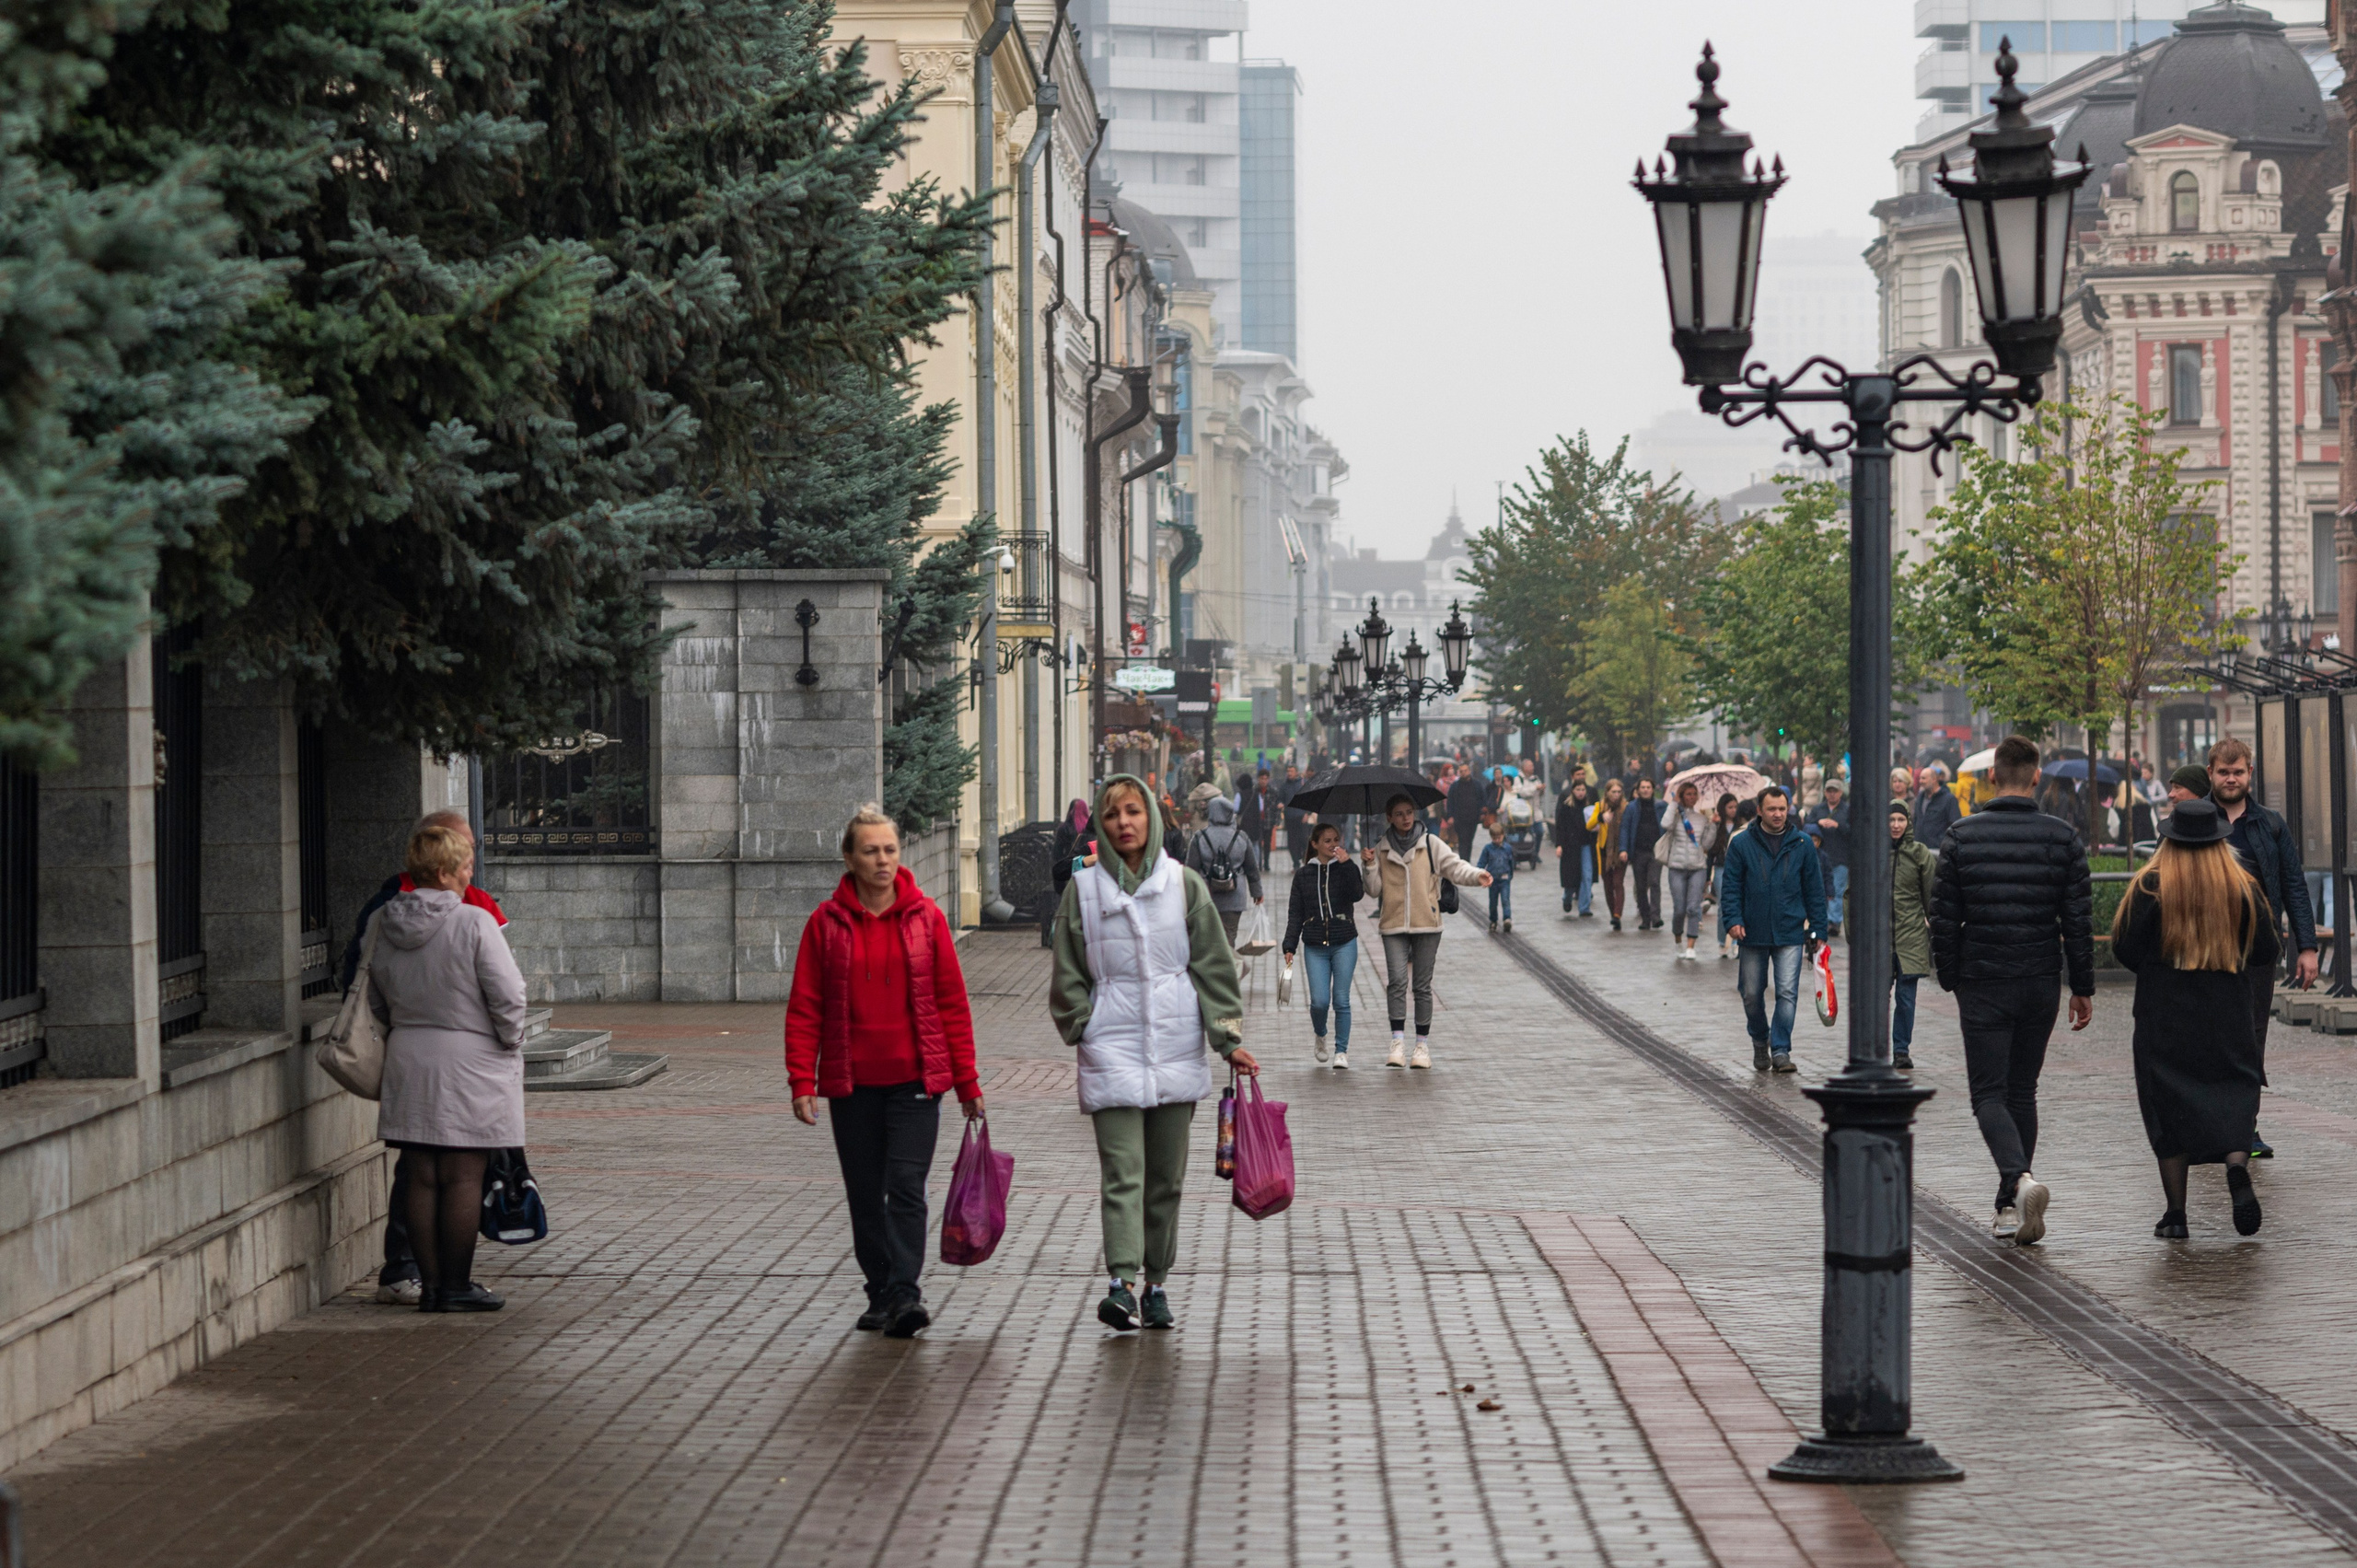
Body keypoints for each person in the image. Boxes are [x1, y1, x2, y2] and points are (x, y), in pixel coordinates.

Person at [1050, 774, 1258, 1331]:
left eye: (1133, 812)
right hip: (1110, 1047)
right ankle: (1120, 1284)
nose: (1124, 823)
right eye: (1113, 813)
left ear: (1152, 818)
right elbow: (1067, 967)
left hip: (1175, 1046)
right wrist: (1082, 1024)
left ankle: (1156, 1285)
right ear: (1102, 821)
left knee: (1165, 1180)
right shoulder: (1084, 890)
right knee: (1124, 1171)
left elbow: (1214, 967)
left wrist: (1228, 1041)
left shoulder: (1183, 885)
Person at [785, 807, 981, 1337]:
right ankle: (880, 1290)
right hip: (852, 1084)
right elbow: (806, 1006)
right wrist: (802, 1080)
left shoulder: (927, 918)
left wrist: (967, 1082)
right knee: (865, 1192)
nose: (882, 860)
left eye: (890, 849)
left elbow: (951, 1004)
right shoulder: (826, 925)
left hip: (916, 1080)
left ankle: (904, 1292)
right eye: (870, 850)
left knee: (907, 1185)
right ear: (849, 858)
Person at [1929, 735, 2094, 1247]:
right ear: (2037, 778)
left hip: (1983, 980)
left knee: (1987, 1094)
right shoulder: (2063, 838)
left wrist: (1950, 975)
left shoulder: (1961, 836)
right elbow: (2078, 921)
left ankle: (2018, 1182)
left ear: (1993, 777)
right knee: (2023, 1091)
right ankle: (2008, 1202)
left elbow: (1943, 918)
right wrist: (2082, 986)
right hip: (2039, 980)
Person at [340, 808, 507, 1308]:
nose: (471, 861)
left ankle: (425, 1280)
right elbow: (508, 994)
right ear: (441, 860)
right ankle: (445, 1283)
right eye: (464, 852)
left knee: (418, 1169)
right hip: (467, 1056)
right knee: (460, 1172)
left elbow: (367, 992)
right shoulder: (472, 917)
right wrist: (507, 1040)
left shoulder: (386, 915)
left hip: (409, 1054)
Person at [2111, 798, 2275, 1240]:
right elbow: (2267, 951)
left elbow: (2123, 948)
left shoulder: (2150, 886)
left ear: (2170, 840)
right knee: (2233, 1089)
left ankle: (2176, 1215)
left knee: (2167, 1105)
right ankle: (2237, 1166)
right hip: (2228, 1011)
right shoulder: (2241, 886)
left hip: (2165, 1013)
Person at [2207, 737, 2317, 1160]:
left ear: (2250, 774)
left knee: (2252, 1038)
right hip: (2207, 950)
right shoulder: (2193, 819)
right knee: (2212, 1038)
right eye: (2223, 772)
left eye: (2238, 772)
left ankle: (2245, 1128)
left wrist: (2306, 947)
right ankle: (2213, 1126)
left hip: (2257, 950)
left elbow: (2293, 884)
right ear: (2211, 773)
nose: (2231, 779)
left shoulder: (2270, 824)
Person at [1363, 792, 1492, 1068]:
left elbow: (1455, 868)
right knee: (1397, 983)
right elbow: (1373, 890)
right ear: (1389, 817)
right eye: (1399, 814)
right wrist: (1370, 864)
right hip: (1393, 924)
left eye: (1409, 812)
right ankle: (1397, 1041)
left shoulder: (1431, 843)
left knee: (1422, 986)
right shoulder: (1381, 848)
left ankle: (1421, 1046)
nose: (1406, 818)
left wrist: (1477, 874)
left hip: (1427, 923)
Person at [1718, 786, 1827, 1074]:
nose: (1778, 814)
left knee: (1788, 992)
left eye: (1782, 809)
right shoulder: (1741, 844)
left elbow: (1814, 891)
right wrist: (1732, 920)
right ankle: (1759, 1039)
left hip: (1790, 929)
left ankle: (1780, 1049)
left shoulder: (1802, 844)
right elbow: (1730, 888)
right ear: (1759, 811)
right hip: (1752, 931)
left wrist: (1818, 929)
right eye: (1771, 809)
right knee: (1751, 993)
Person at [1283, 821, 1364, 1068]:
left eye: (1336, 840)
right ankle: (1321, 1034)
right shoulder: (1304, 874)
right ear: (1315, 844)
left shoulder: (1345, 868)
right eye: (1327, 841)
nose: (1333, 845)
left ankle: (1342, 1051)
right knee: (1319, 1001)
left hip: (1344, 942)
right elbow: (1295, 912)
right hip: (1315, 945)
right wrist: (1290, 945)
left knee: (1341, 999)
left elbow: (1358, 894)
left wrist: (1348, 865)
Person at [1889, 802, 1936, 1071]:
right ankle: (1874, 1049)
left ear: (1908, 822)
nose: (1895, 825)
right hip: (1879, 937)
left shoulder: (1919, 854)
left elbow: (1931, 894)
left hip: (1910, 935)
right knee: (1876, 999)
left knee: (1906, 1000)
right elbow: (1854, 894)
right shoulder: (1873, 851)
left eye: (1900, 819)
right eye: (1891, 820)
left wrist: (1938, 925)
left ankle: (1900, 1050)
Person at [1184, 792, 1264, 944]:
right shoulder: (1241, 837)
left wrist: (1188, 897)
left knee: (1209, 939)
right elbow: (1252, 869)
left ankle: (1213, 965)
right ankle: (1228, 964)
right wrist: (1257, 892)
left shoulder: (1200, 838)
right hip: (1235, 898)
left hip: (1206, 897)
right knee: (1229, 937)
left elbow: (1190, 871)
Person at [1662, 780, 1713, 960]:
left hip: (1698, 868)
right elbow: (1665, 824)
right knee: (1679, 909)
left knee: (1693, 907)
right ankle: (1678, 938)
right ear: (1683, 796)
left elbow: (1707, 844)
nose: (1692, 797)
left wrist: (1713, 825)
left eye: (1694, 794)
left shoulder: (1702, 819)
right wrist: (1674, 803)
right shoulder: (1676, 817)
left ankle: (1691, 944)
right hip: (1676, 867)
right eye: (1688, 794)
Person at [1619, 777, 1666, 931]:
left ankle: (1656, 916)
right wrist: (1623, 849)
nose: (1646, 790)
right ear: (1637, 790)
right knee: (1640, 886)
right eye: (1643, 787)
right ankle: (1645, 918)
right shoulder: (1631, 808)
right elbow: (1625, 828)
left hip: (1655, 851)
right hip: (1638, 851)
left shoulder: (1660, 806)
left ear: (1653, 789)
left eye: (1648, 787)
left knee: (1654, 882)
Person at [1806, 780, 1852, 937]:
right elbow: (1806, 826)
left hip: (1840, 857)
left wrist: (1837, 825)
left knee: (1837, 891)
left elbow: (1854, 831)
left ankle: (1834, 922)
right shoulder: (1818, 809)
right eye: (1829, 790)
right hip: (1819, 858)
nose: (1832, 794)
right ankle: (1822, 920)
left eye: (1835, 791)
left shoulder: (1847, 809)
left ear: (1841, 792)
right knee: (1820, 890)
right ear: (1825, 792)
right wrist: (1817, 823)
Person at [1587, 780, 1627, 931]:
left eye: (1619, 792)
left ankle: (1617, 915)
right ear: (1607, 793)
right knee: (1608, 885)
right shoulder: (1600, 806)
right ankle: (1613, 915)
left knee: (1618, 882)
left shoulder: (1626, 807)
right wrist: (1601, 818)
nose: (1616, 795)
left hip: (1620, 850)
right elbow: (1589, 825)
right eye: (1613, 792)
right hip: (1604, 851)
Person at [1555, 778, 1595, 917]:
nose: (1581, 793)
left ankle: (1584, 907)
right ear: (1573, 791)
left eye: (1583, 790)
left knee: (1587, 875)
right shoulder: (1566, 807)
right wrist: (1559, 845)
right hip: (1570, 846)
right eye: (1578, 790)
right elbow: (1560, 827)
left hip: (1585, 845)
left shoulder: (1590, 807)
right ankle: (1567, 896)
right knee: (1571, 877)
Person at [1914, 762, 1963, 853]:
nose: (1920, 781)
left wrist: (1942, 842)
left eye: (1924, 778)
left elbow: (1955, 825)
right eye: (1920, 778)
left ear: (1934, 779)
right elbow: (1916, 821)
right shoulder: (1919, 798)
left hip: (1938, 850)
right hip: (1919, 849)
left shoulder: (1949, 799)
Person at [1479, 821, 1517, 932]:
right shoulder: (1488, 849)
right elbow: (1482, 862)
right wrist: (1479, 873)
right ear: (1491, 837)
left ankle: (1507, 919)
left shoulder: (1507, 848)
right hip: (1493, 880)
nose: (1497, 840)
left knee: (1505, 900)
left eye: (1499, 838)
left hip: (1505, 879)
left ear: (1503, 835)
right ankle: (1493, 920)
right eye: (1494, 838)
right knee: (1493, 902)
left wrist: (1510, 875)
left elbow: (1511, 863)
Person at [1237, 768, 1280, 868]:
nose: (1263, 781)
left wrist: (1277, 820)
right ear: (1258, 779)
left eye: (1266, 779)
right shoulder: (1254, 791)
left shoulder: (1273, 791)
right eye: (1262, 779)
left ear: (1268, 779)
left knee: (1267, 843)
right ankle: (1259, 863)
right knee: (1257, 842)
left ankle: (1267, 863)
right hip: (1256, 822)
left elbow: (1276, 807)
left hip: (1268, 821)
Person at [1447, 766, 1486, 858]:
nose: (1463, 773)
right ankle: (1463, 861)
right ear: (1459, 773)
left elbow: (1482, 798)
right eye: (1461, 771)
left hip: (1473, 818)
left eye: (1465, 771)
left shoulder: (1477, 784)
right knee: (1462, 841)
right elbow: (1450, 802)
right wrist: (1450, 816)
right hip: (1459, 818)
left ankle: (1466, 861)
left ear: (1469, 771)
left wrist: (1482, 813)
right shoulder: (1455, 786)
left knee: (1469, 840)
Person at [1280, 762, 1308, 871]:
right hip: (1290, 817)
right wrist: (1280, 804)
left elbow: (1308, 799)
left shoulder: (1302, 783)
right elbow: (1280, 798)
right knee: (1292, 842)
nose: (1289, 773)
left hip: (1301, 817)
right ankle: (1295, 863)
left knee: (1304, 840)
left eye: (1291, 771)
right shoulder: (1284, 786)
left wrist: (1307, 813)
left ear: (1296, 772)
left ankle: (1305, 859)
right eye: (1288, 771)